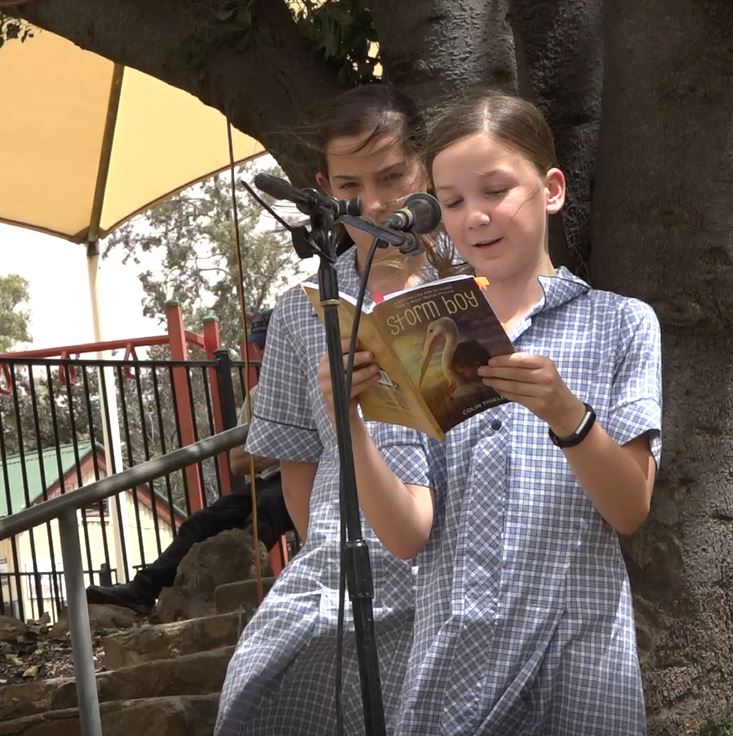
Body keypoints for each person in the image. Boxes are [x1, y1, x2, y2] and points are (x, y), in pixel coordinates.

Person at [327, 91, 663, 734]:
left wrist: (566, 413)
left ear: (551, 189)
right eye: (451, 202)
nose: (475, 217)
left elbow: (630, 509)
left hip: (579, 667)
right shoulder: (416, 333)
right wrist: (350, 425)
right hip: (454, 677)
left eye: (496, 190)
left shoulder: (619, 323)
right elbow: (406, 533)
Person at [216, 84, 444, 735]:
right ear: (323, 188)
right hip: (344, 573)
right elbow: (298, 470)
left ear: (426, 169)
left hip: (454, 563)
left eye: (393, 176)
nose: (374, 203)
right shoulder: (302, 308)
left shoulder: (476, 279)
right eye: (350, 185)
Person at [85, 309, 292, 615]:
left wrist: (268, 450)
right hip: (271, 479)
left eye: (268, 344)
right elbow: (237, 461)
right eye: (259, 346)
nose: (262, 353)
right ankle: (143, 591)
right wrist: (289, 446)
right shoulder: (258, 395)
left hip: (312, 478)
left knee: (266, 509)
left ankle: (235, 589)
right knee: (202, 521)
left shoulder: (313, 379)